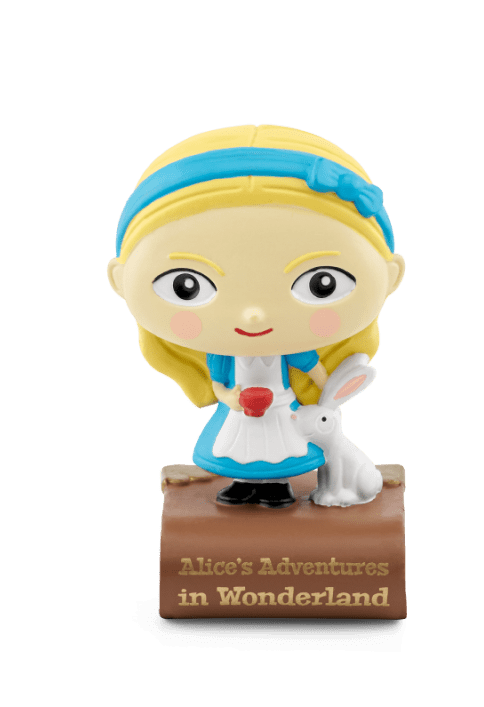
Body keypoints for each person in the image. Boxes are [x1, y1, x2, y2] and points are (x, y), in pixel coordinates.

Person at [107, 124, 405, 507]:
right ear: (120, 279)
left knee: (281, 447)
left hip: (282, 407)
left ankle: (277, 486)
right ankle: (243, 485)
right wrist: (231, 397)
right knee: (239, 446)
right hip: (241, 410)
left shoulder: (294, 350)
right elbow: (218, 384)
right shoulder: (222, 356)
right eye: (186, 286)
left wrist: (327, 398)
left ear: (391, 276)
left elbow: (317, 373)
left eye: (321, 284)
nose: (253, 316)